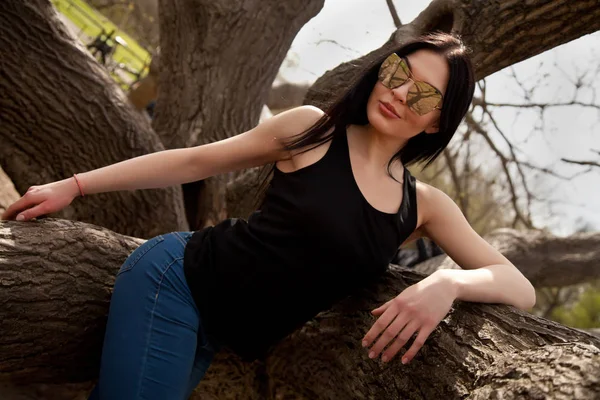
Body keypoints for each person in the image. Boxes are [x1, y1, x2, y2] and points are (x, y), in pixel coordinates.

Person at [1, 32, 536, 399]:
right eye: (398, 72)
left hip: (217, 334)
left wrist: (445, 286)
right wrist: (72, 186)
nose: (398, 92)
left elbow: (519, 287)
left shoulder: (424, 206)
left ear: (436, 122)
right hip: (177, 283)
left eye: (422, 94)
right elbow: (193, 160)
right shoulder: (313, 128)